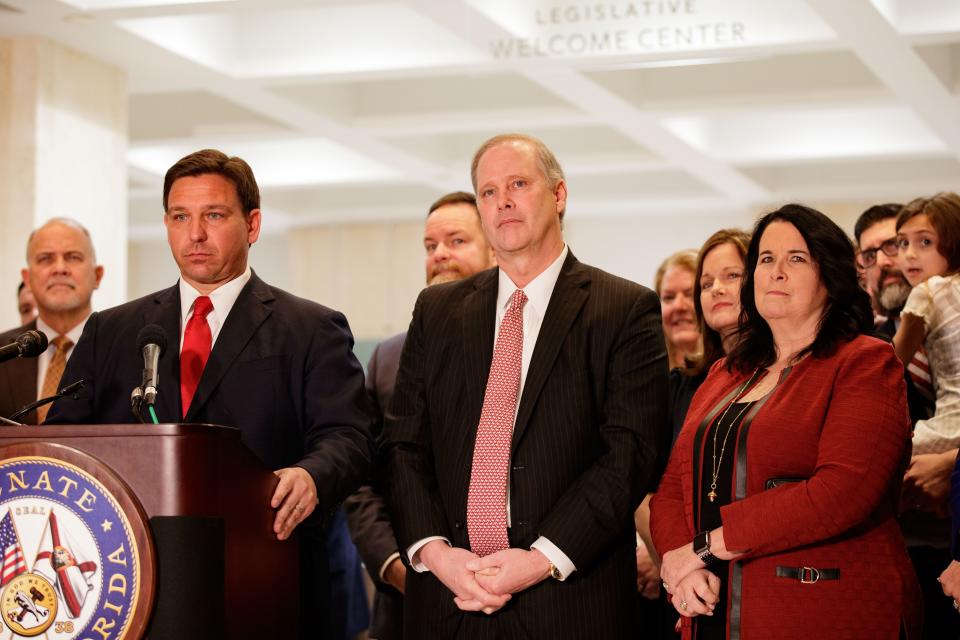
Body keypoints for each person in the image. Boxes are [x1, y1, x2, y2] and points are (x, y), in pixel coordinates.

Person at [46, 149, 372, 638]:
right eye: (181, 217)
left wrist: (311, 475)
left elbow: (349, 437)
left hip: (263, 580)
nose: (194, 234)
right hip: (131, 584)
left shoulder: (310, 328)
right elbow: (64, 440)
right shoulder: (113, 330)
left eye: (214, 216)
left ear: (253, 224)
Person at [384, 133, 668, 638]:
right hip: (448, 602)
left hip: (567, 601)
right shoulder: (437, 312)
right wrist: (437, 555)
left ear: (558, 195)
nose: (504, 201)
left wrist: (540, 559)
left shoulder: (623, 309)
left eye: (518, 183)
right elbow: (404, 446)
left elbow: (630, 455)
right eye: (488, 192)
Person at [651, 204, 920, 638]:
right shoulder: (726, 373)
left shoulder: (866, 363)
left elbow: (842, 491)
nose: (776, 272)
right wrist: (679, 566)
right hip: (711, 613)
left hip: (824, 613)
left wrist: (704, 548)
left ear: (829, 276)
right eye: (765, 259)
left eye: (796, 258)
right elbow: (671, 489)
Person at [343, 191, 496, 640]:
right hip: (408, 599)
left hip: (508, 592)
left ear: (493, 247)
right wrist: (395, 566)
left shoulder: (529, 351)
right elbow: (363, 480)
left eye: (456, 241)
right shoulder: (388, 359)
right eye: (430, 246)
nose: (440, 255)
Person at [636, 229, 751, 634]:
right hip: (687, 569)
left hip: (751, 561)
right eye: (707, 283)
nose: (714, 290)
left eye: (731, 277)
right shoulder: (676, 385)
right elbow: (655, 490)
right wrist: (675, 565)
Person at [856, 201, 955, 638]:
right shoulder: (861, 349)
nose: (891, 260)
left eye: (894, 246)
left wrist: (954, 463)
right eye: (870, 253)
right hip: (901, 550)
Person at [0, 218, 104, 423]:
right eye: (46, 259)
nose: (59, 268)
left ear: (97, 275)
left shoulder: (124, 350)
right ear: (27, 278)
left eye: (73, 257)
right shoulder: (3, 353)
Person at [655, 250, 701, 370]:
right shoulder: (647, 371)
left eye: (690, 294)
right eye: (669, 297)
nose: (679, 306)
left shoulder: (731, 371)